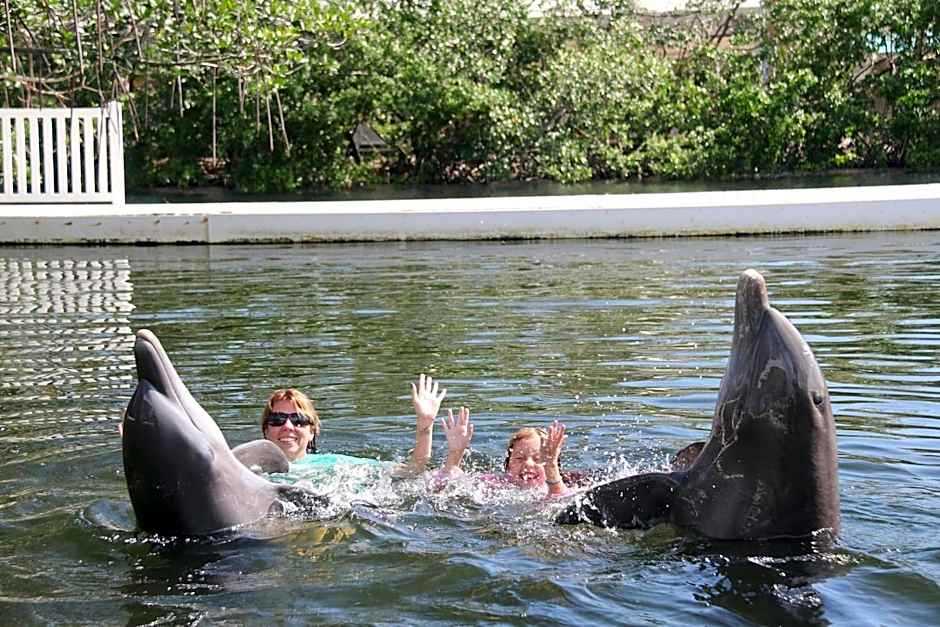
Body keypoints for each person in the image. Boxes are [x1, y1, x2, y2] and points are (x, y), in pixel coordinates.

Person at [261, 374, 446, 472]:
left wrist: (425, 425)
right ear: (266, 431)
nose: (287, 426)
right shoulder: (246, 469)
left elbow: (413, 469)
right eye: (277, 420)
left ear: (312, 431)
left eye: (298, 420)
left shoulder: (334, 465)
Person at [435, 407, 571, 497]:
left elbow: (560, 500)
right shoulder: (493, 484)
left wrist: (551, 465)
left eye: (538, 459)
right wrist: (456, 453)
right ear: (508, 465)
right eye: (519, 458)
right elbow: (443, 486)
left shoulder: (566, 488)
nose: (528, 464)